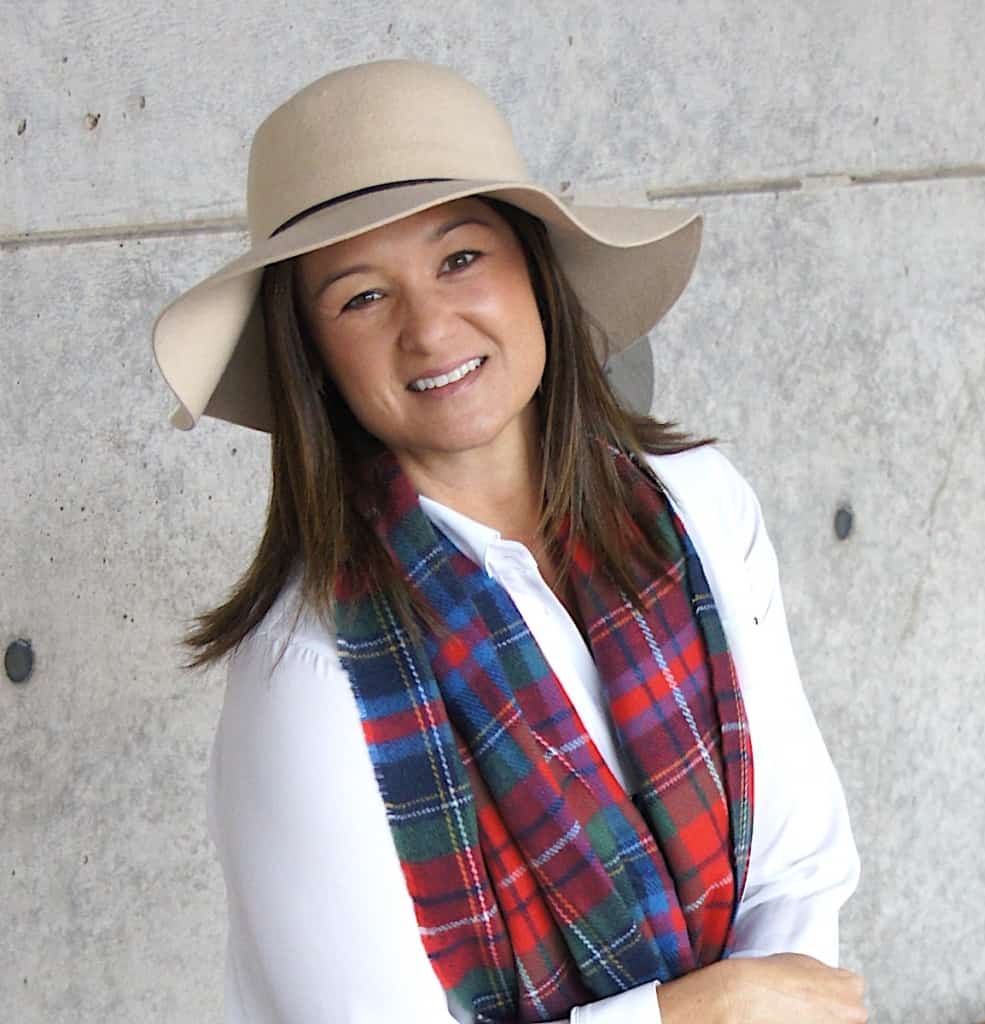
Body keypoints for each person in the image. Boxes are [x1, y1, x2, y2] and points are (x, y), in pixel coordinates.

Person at [152, 60, 867, 1024]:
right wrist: (694, 1014)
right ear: (309, 354)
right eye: (362, 297)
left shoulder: (701, 507)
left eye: (460, 259)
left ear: (532, 267)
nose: (430, 327)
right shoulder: (306, 670)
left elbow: (796, 868)